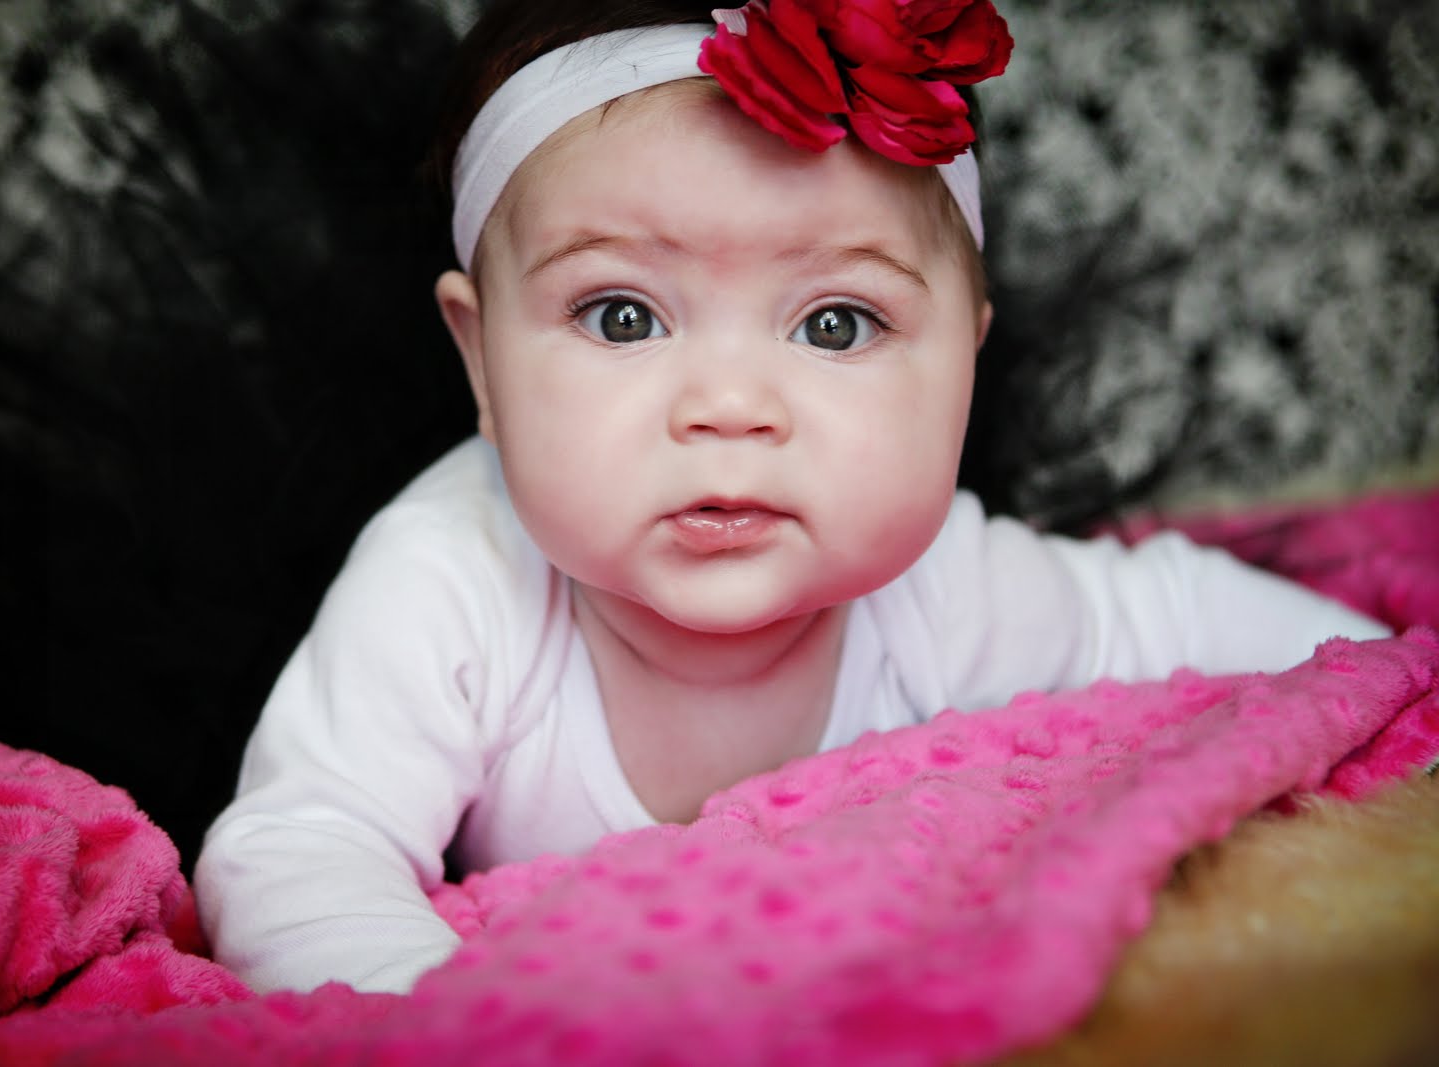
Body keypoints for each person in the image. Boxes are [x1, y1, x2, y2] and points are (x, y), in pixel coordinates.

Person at [193, 0, 1389, 996]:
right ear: (482, 363)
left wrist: (1398, 689)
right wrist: (445, 1025)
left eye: (835, 324)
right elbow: (305, 843)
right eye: (622, 315)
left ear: (963, 369)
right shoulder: (450, 576)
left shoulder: (947, 589)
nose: (728, 406)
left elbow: (1185, 619)